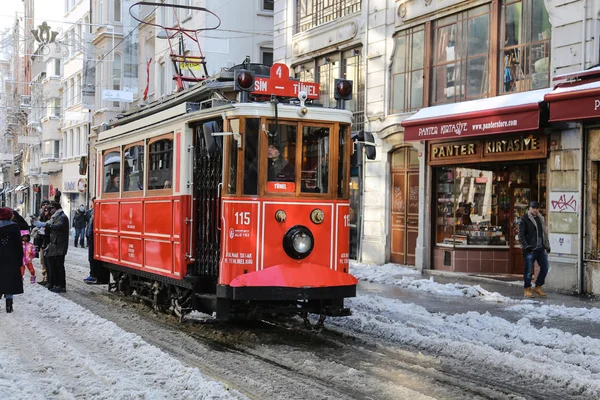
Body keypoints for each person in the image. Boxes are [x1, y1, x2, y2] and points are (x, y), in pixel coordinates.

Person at [518, 201, 551, 298]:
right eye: (533, 208)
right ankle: (527, 289)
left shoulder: (540, 218)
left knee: (545, 267)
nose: (535, 210)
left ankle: (538, 286)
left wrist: (547, 246)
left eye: (537, 208)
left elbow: (543, 234)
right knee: (528, 270)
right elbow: (521, 234)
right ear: (529, 208)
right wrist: (526, 246)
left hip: (540, 248)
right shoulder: (524, 219)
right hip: (530, 249)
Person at [0, 207, 24, 313]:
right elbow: (19, 245)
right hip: (11, 258)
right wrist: (19, 259)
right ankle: (9, 305)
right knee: (10, 282)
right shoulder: (14, 227)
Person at [44, 201, 69, 293]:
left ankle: (61, 285)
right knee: (54, 265)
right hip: (54, 244)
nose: (50, 211)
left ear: (55, 208)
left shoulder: (62, 217)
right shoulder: (56, 217)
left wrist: (47, 225)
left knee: (59, 265)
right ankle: (55, 283)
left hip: (60, 245)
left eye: (51, 209)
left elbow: (58, 226)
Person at [84, 197, 110, 285]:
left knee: (94, 258)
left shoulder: (101, 213)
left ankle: (95, 276)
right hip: (91, 238)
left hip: (96, 239)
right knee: (91, 258)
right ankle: (93, 275)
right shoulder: (93, 212)